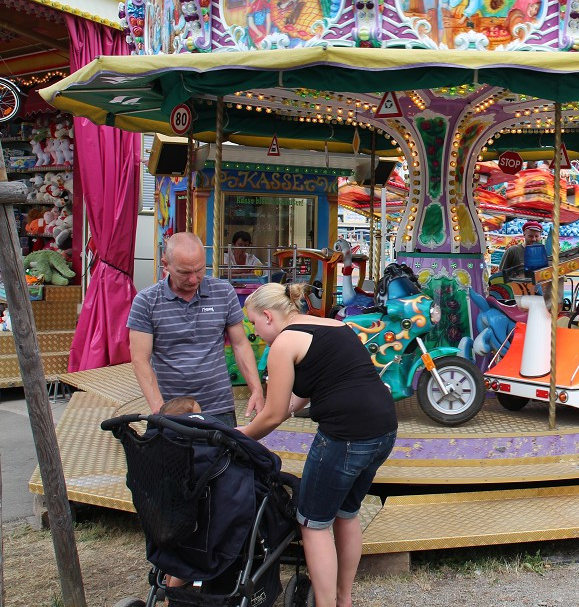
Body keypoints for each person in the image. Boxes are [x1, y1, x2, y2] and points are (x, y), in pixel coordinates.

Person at [238, 283, 397, 607]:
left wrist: (240, 435)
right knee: (346, 514)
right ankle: (343, 599)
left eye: (254, 325)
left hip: (346, 436)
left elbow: (273, 415)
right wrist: (284, 406)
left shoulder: (284, 343)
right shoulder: (332, 324)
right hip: (383, 430)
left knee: (312, 524)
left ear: (268, 316)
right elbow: (318, 384)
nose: (257, 334)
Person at [128, 232, 264, 427]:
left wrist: (256, 389)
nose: (193, 279)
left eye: (199, 270)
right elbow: (140, 359)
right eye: (184, 272)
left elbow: (240, 344)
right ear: (165, 265)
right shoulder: (146, 301)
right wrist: (159, 409)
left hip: (219, 407)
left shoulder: (223, 292)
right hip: (172, 408)